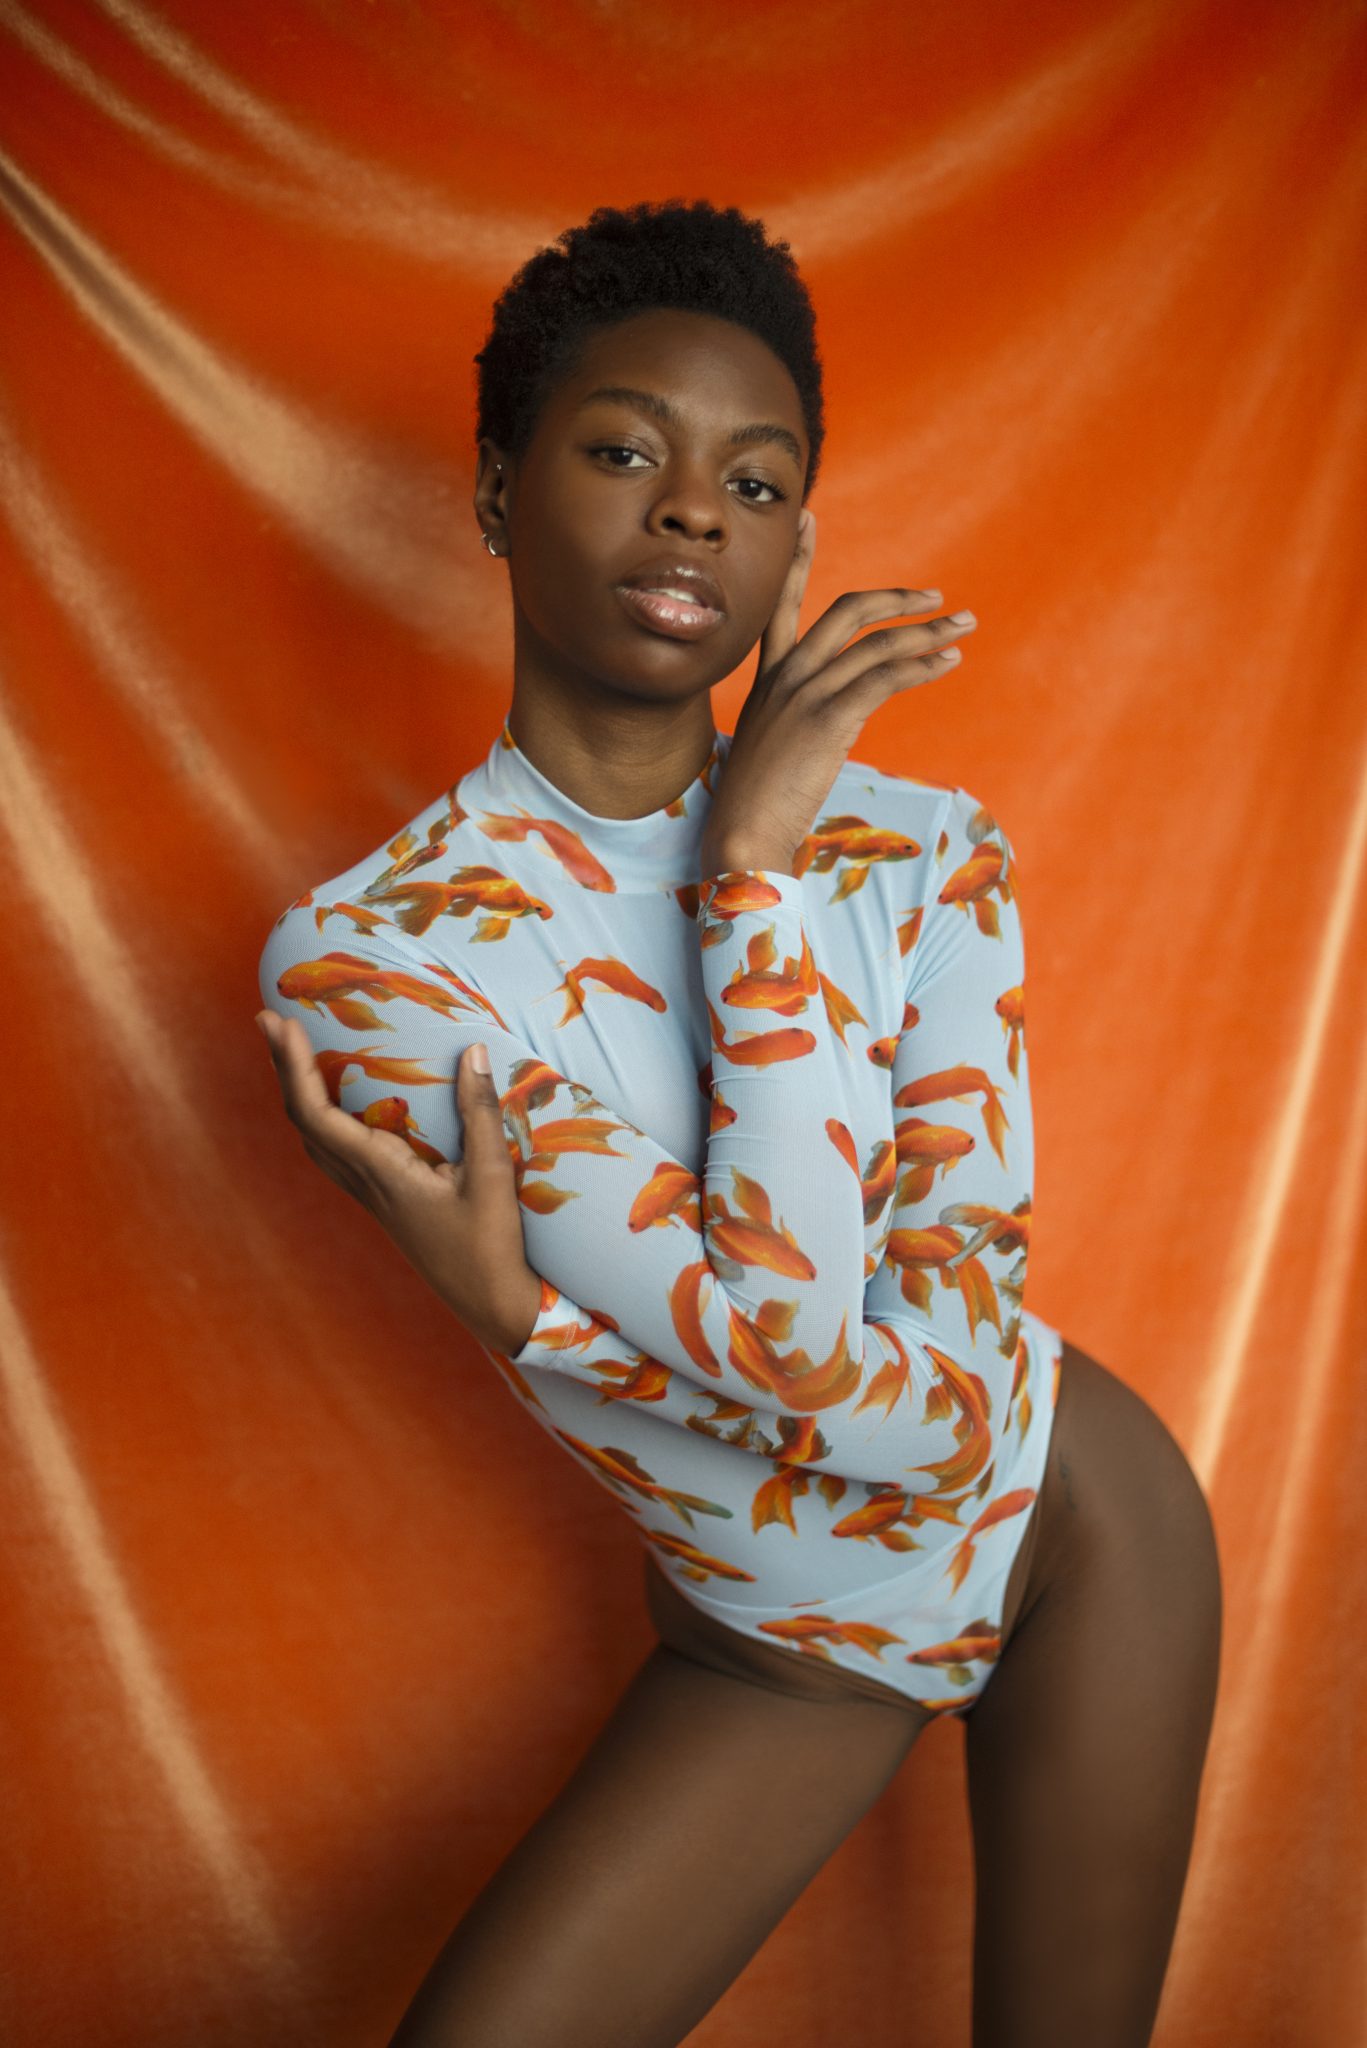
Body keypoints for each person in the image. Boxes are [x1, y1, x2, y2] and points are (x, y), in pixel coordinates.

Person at [254, 199, 1222, 2048]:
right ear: (494, 492)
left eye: (755, 482)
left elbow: (943, 1414)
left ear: (793, 547)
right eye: (626, 452)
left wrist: (750, 875)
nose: (696, 512)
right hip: (777, 1635)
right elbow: (798, 1349)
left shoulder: (928, 855)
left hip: (1076, 1528)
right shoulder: (374, 961)